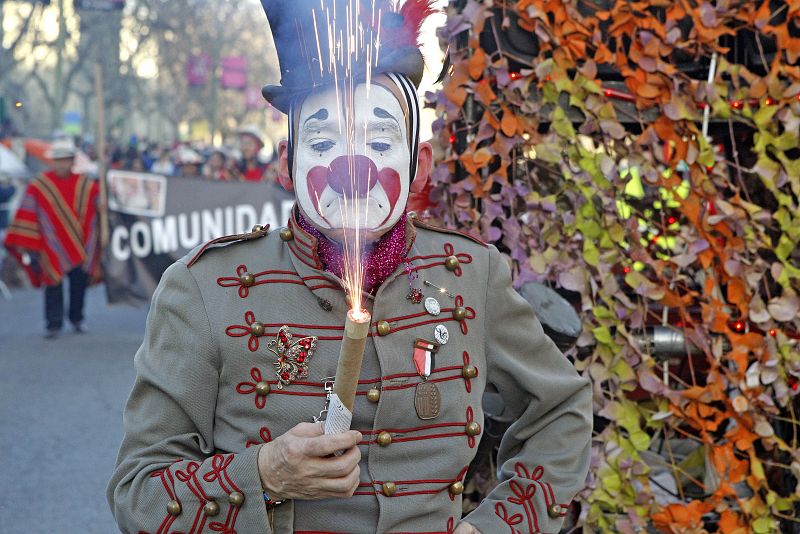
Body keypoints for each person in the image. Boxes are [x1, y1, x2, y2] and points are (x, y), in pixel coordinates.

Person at [107, 0, 592, 532]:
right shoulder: (203, 288)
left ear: (419, 167)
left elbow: (560, 410)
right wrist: (263, 475)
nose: (351, 168)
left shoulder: (471, 275)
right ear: (287, 164)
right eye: (322, 141)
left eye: (380, 140)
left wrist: (497, 528)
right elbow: (139, 494)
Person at [4, 138, 100, 338]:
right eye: (58, 160)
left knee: (78, 283)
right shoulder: (40, 185)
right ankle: (53, 323)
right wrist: (29, 242)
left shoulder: (86, 184)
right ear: (52, 162)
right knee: (53, 283)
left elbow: (98, 207)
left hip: (81, 243)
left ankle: (77, 318)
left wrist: (103, 205)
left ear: (72, 161)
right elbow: (27, 211)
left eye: (65, 160)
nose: (62, 164)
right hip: (50, 245)